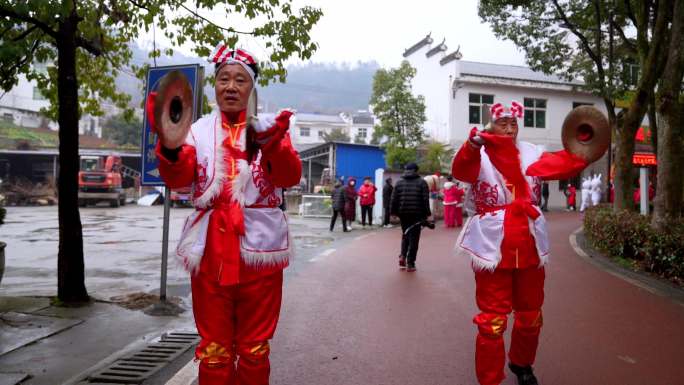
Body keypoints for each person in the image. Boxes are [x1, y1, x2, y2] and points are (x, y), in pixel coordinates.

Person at [149, 46, 301, 385]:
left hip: (260, 253)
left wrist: (274, 144)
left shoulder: (270, 129)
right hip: (210, 251)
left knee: (254, 347)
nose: (231, 86)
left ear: (251, 89)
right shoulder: (197, 131)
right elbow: (178, 177)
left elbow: (288, 176)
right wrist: (170, 144)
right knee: (215, 348)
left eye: (240, 80)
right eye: (223, 79)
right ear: (214, 86)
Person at [452, 101, 591, 385]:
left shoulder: (532, 153)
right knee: (493, 319)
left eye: (513, 123)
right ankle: (489, 378)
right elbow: (462, 171)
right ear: (491, 125)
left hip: (529, 243)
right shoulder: (478, 152)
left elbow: (562, 163)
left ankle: (522, 364)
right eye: (502, 123)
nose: (509, 128)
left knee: (530, 314)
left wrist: (586, 142)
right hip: (492, 246)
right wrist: (471, 145)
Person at [390, 163, 431, 272]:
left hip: (403, 214)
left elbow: (394, 199)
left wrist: (393, 212)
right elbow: (425, 200)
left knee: (405, 234)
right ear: (416, 171)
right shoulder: (422, 182)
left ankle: (402, 256)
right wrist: (427, 214)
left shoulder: (399, 182)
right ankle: (410, 263)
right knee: (414, 239)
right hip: (417, 214)